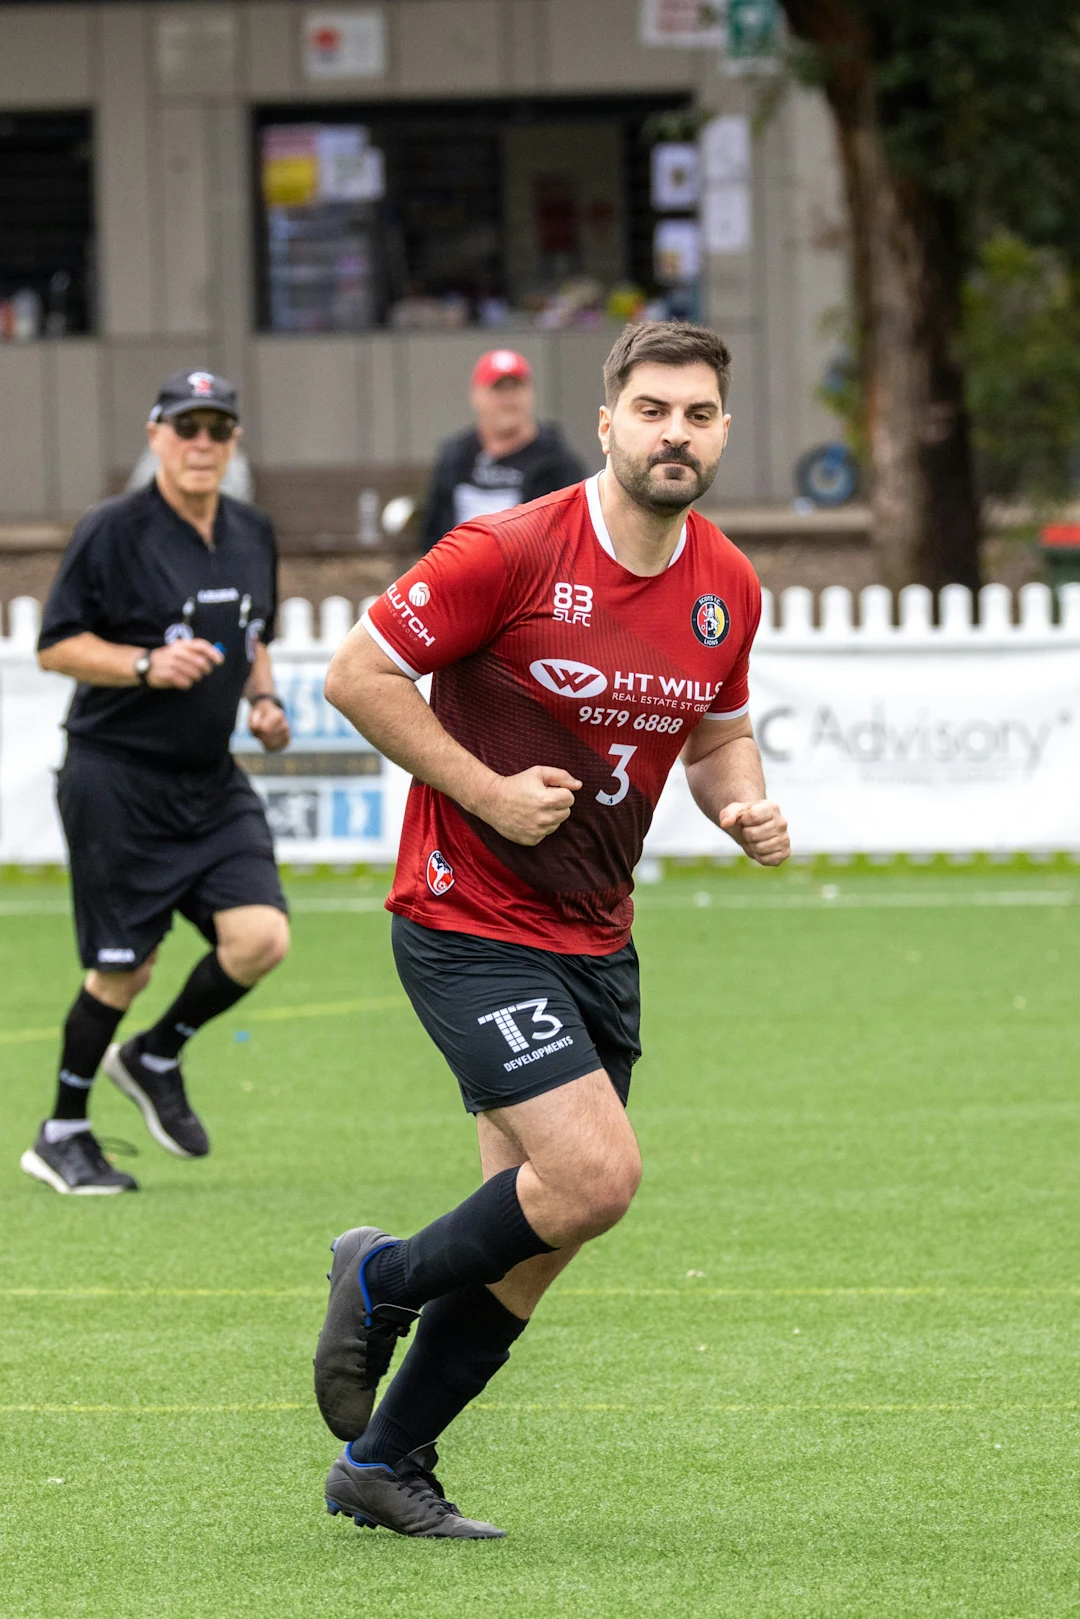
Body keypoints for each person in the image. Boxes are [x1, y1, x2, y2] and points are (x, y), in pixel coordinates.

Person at [312, 320, 790, 1538]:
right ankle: (377, 1275)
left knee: (536, 1235)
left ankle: (383, 1461)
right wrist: (483, 790)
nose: (674, 432)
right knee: (596, 1174)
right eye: (653, 409)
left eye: (697, 414)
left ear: (722, 431)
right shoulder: (510, 548)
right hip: (465, 917)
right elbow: (357, 674)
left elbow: (715, 730)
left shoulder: (725, 583)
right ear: (610, 420)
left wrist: (737, 796)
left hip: (597, 934)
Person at [19, 370, 292, 1196]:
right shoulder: (112, 529)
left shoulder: (251, 530)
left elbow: (253, 636)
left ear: (234, 441)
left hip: (209, 780)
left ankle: (155, 1051)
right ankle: (61, 1130)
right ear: (155, 436)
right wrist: (144, 663)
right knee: (123, 971)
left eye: (217, 428)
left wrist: (265, 699)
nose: (201, 443)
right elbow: (56, 645)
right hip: (116, 778)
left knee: (260, 939)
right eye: (186, 428)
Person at [418, 348, 587, 550]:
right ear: (476, 396)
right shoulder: (456, 456)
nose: (508, 398)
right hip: (460, 571)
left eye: (516, 388)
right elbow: (433, 529)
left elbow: (575, 536)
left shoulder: (557, 462)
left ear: (530, 394)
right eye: (498, 389)